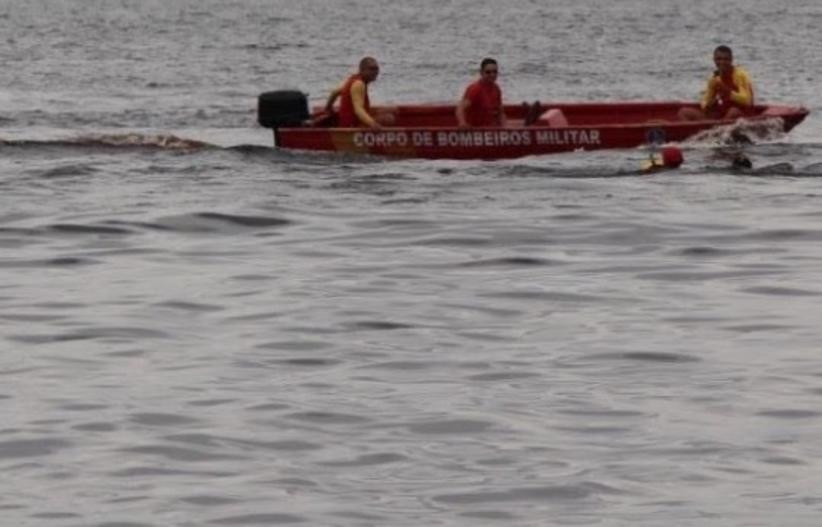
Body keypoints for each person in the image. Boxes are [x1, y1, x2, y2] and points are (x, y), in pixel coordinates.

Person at [679, 45, 754, 121]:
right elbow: (705, 101)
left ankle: (715, 129)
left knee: (733, 111)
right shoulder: (714, 77)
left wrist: (727, 91)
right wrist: (710, 102)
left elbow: (747, 100)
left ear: (731, 60)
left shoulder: (740, 75)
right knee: (684, 112)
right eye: (719, 59)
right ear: (714, 60)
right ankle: (696, 130)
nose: (722, 62)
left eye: (726, 59)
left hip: (742, 115)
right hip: (722, 115)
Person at [325, 57, 387, 129]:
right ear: (362, 70)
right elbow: (358, 109)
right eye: (371, 69)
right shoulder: (359, 84)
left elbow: (334, 92)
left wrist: (328, 107)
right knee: (388, 118)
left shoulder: (353, 80)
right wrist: (372, 124)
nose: (375, 72)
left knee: (390, 110)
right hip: (352, 126)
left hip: (348, 122)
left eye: (376, 69)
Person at [456, 58, 506, 127]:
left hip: (491, 129)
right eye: (488, 72)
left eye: (495, 72)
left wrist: (504, 127)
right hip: (476, 131)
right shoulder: (475, 89)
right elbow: (460, 109)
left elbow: (501, 112)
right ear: (481, 73)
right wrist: (463, 123)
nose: (492, 75)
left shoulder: (496, 89)